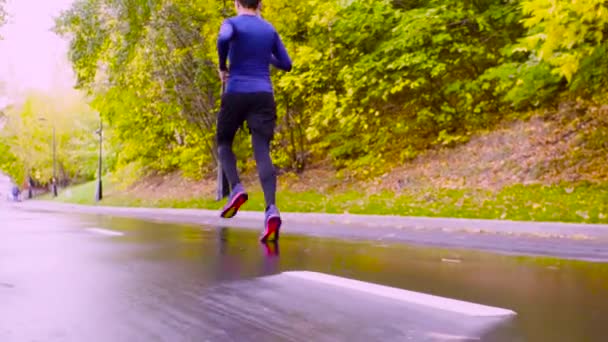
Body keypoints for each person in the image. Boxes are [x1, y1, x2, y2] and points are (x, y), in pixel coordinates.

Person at [216, 0, 292, 242]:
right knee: (262, 151)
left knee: (224, 142)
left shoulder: (232, 23)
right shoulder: (269, 29)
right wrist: (266, 56)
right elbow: (287, 64)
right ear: (259, 4)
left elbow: (223, 38)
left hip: (236, 91)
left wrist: (222, 66)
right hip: (263, 95)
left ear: (237, 3)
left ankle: (237, 188)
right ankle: (271, 209)